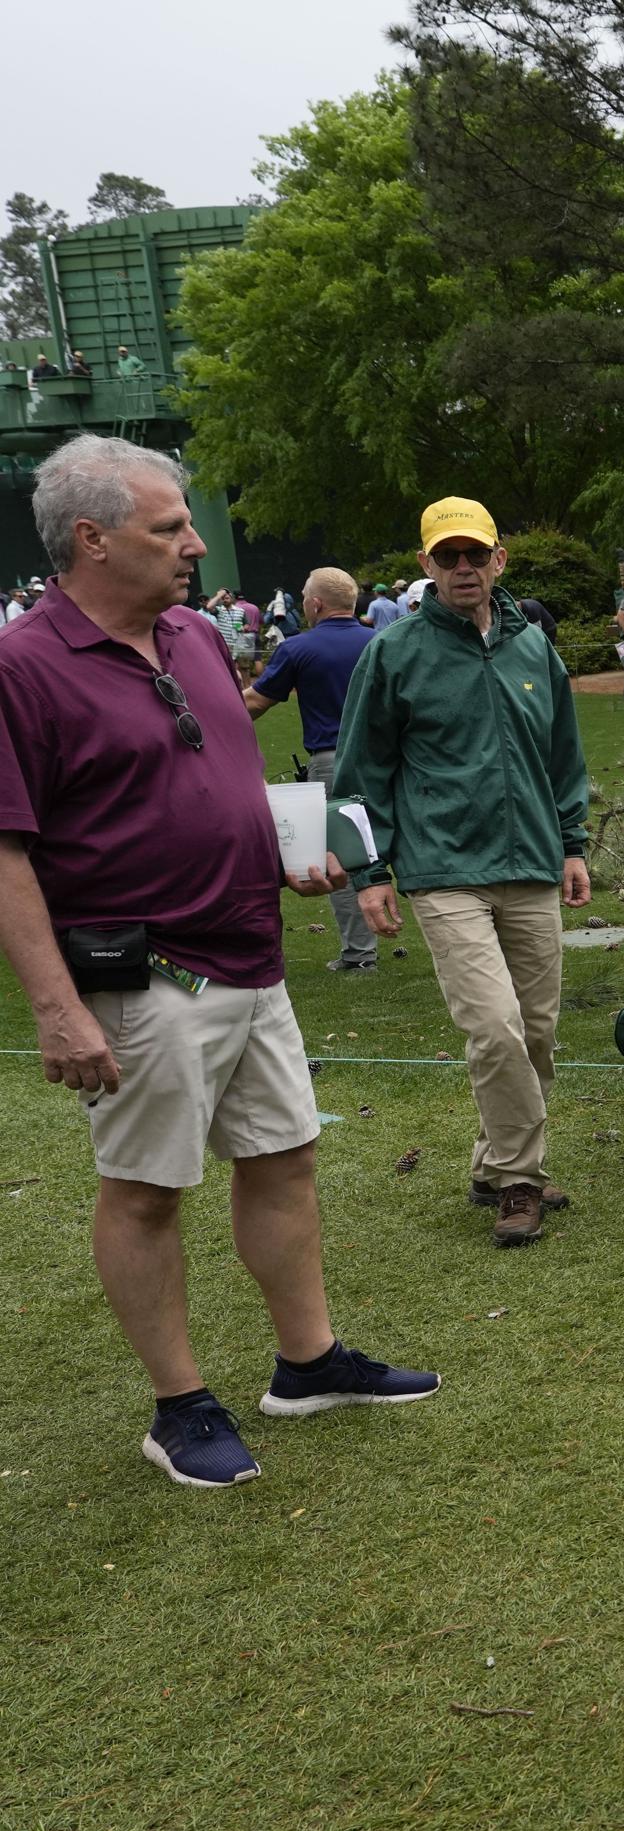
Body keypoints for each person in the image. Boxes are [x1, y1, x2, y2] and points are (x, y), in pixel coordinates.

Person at [0, 435, 439, 1489]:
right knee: (147, 1189)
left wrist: (288, 854)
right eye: (170, 528)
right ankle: (179, 1403)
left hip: (253, 954)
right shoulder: (24, 666)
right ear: (93, 539)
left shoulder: (194, 633)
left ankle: (308, 1360)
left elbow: (214, 772)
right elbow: (7, 849)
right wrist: (57, 1007)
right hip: (144, 978)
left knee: (283, 1156)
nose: (197, 543)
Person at [338, 498, 593, 1248]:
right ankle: (521, 1181)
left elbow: (563, 756)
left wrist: (572, 843)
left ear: (499, 560)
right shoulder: (393, 652)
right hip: (444, 867)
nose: (462, 569)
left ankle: (491, 1164)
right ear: (425, 566)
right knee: (493, 1027)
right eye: (446, 557)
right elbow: (360, 770)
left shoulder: (532, 648)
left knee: (537, 1032)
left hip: (534, 862)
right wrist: (369, 870)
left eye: (474, 555)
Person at [243, 567, 380, 971]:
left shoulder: (299, 648)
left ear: (315, 603)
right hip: (388, 760)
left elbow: (255, 703)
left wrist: (203, 718)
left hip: (333, 761)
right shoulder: (381, 642)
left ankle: (359, 953)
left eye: (305, 596)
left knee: (339, 855)